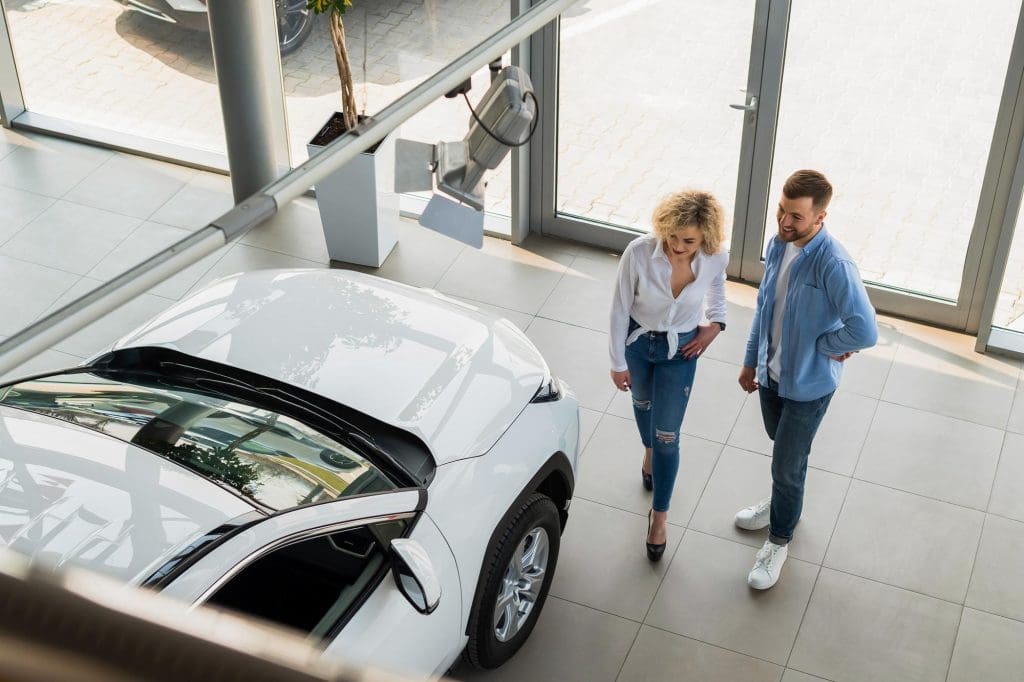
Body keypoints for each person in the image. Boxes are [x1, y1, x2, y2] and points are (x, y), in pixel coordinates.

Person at [736, 169, 877, 589]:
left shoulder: (834, 263)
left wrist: (825, 345)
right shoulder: (779, 246)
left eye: (795, 216)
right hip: (771, 372)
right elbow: (764, 308)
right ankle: (785, 501)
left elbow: (865, 330)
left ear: (820, 217)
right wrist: (750, 361)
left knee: (787, 463)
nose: (783, 222)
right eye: (781, 210)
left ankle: (779, 540)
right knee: (781, 445)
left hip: (809, 385)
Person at [609, 190, 729, 562]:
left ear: (705, 238)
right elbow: (619, 308)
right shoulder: (640, 252)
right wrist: (617, 363)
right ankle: (648, 455)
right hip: (638, 345)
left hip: (681, 352)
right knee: (642, 405)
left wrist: (716, 325)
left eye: (688, 240)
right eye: (672, 236)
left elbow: (717, 290)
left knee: (667, 436)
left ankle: (659, 516)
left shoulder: (714, 258)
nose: (677, 247)